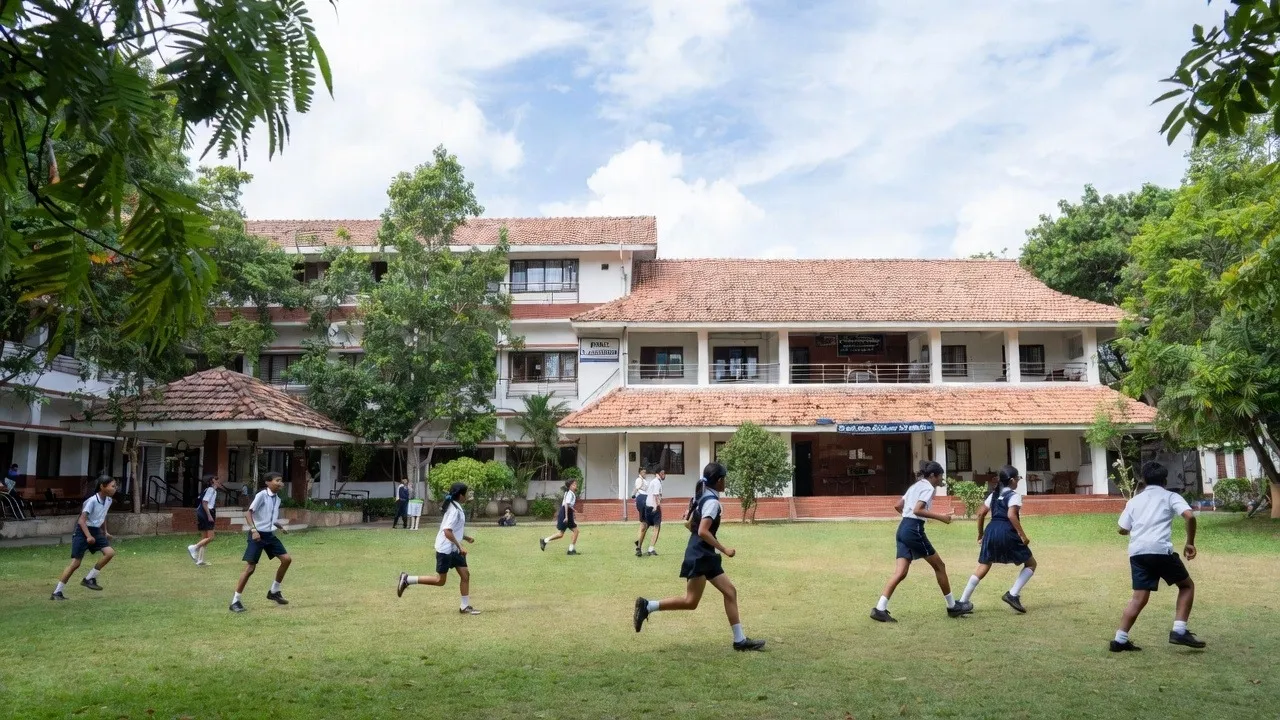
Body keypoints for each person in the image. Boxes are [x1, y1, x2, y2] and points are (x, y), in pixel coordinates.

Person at [632, 462, 765, 651]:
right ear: (718, 481)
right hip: (700, 554)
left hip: (704, 553)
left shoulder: (704, 496)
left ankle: (740, 640)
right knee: (690, 601)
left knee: (730, 592)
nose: (725, 481)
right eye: (724, 478)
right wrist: (724, 549)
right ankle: (647, 606)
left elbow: (691, 524)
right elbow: (702, 530)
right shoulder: (711, 501)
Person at [1111, 461, 1205, 652]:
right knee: (1186, 585)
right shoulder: (1170, 496)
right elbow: (1190, 516)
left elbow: (1122, 528)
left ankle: (1119, 640)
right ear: (1165, 480)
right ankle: (1179, 630)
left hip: (1137, 554)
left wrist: (1131, 530)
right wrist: (1190, 543)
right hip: (1160, 551)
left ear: (1143, 480)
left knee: (1139, 597)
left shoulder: (1134, 500)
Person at [870, 460, 971, 622]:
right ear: (933, 476)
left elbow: (898, 506)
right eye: (940, 477)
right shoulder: (928, 488)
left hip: (903, 529)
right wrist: (942, 518)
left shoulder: (915, 486)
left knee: (900, 572)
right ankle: (952, 607)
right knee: (940, 566)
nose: (940, 480)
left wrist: (908, 518)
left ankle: (879, 608)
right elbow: (918, 510)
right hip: (913, 530)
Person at [959, 465, 1037, 613]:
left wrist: (980, 534)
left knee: (984, 565)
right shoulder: (1014, 496)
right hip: (1006, 531)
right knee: (1031, 564)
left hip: (991, 531)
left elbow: (981, 514)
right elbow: (1011, 515)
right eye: (1018, 479)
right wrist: (1022, 535)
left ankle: (963, 601)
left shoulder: (993, 495)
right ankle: (1012, 594)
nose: (1018, 482)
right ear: (1012, 480)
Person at [396, 482, 480, 614]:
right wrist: (461, 546)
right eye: (467, 493)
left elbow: (453, 529)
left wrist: (465, 537)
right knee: (440, 581)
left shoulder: (456, 507)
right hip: (446, 549)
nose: (468, 495)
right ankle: (407, 579)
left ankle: (464, 606)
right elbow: (447, 531)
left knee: (465, 575)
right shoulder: (454, 510)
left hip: (454, 548)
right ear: (461, 495)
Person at [230, 472, 291, 613]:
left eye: (281, 480)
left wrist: (280, 527)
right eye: (277, 480)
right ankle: (235, 601)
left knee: (287, 559)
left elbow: (271, 519)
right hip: (257, 535)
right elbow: (248, 513)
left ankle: (274, 591)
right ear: (268, 482)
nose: (280, 483)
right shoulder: (262, 495)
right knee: (250, 568)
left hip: (269, 535)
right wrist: (253, 530)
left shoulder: (277, 499)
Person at [51, 476, 117, 600]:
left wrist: (105, 532)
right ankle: (57, 592)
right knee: (76, 564)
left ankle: (89, 578)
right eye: (112, 486)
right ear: (102, 486)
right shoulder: (92, 501)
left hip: (96, 531)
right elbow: (81, 520)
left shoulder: (108, 500)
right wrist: (88, 536)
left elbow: (103, 516)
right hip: (83, 531)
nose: (115, 489)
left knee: (110, 553)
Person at [540, 479, 581, 555]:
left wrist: (573, 509)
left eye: (576, 484)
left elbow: (567, 504)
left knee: (562, 534)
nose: (576, 485)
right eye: (574, 484)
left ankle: (545, 541)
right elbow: (566, 505)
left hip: (567, 512)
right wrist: (566, 516)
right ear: (570, 486)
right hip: (566, 513)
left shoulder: (569, 493)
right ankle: (570, 550)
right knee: (574, 531)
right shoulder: (569, 493)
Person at [188, 474, 221, 566]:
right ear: (212, 481)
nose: (219, 481)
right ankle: (194, 547)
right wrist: (209, 515)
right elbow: (204, 503)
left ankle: (200, 560)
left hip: (202, 512)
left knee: (205, 538)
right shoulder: (211, 490)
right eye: (216, 480)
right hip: (205, 513)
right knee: (211, 537)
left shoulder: (211, 490)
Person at [640, 469, 664, 556]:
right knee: (657, 528)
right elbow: (656, 495)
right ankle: (651, 549)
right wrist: (656, 506)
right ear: (657, 474)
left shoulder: (653, 481)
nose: (664, 474)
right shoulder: (657, 482)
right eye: (662, 473)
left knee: (645, 527)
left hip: (647, 506)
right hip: (654, 507)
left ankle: (639, 547)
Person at [632, 468, 649, 555]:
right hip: (642, 499)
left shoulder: (644, 480)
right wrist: (633, 494)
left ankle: (638, 540)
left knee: (644, 522)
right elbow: (637, 488)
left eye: (645, 472)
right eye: (643, 472)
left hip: (645, 498)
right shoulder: (639, 480)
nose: (644, 473)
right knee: (644, 523)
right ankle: (639, 545)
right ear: (639, 473)